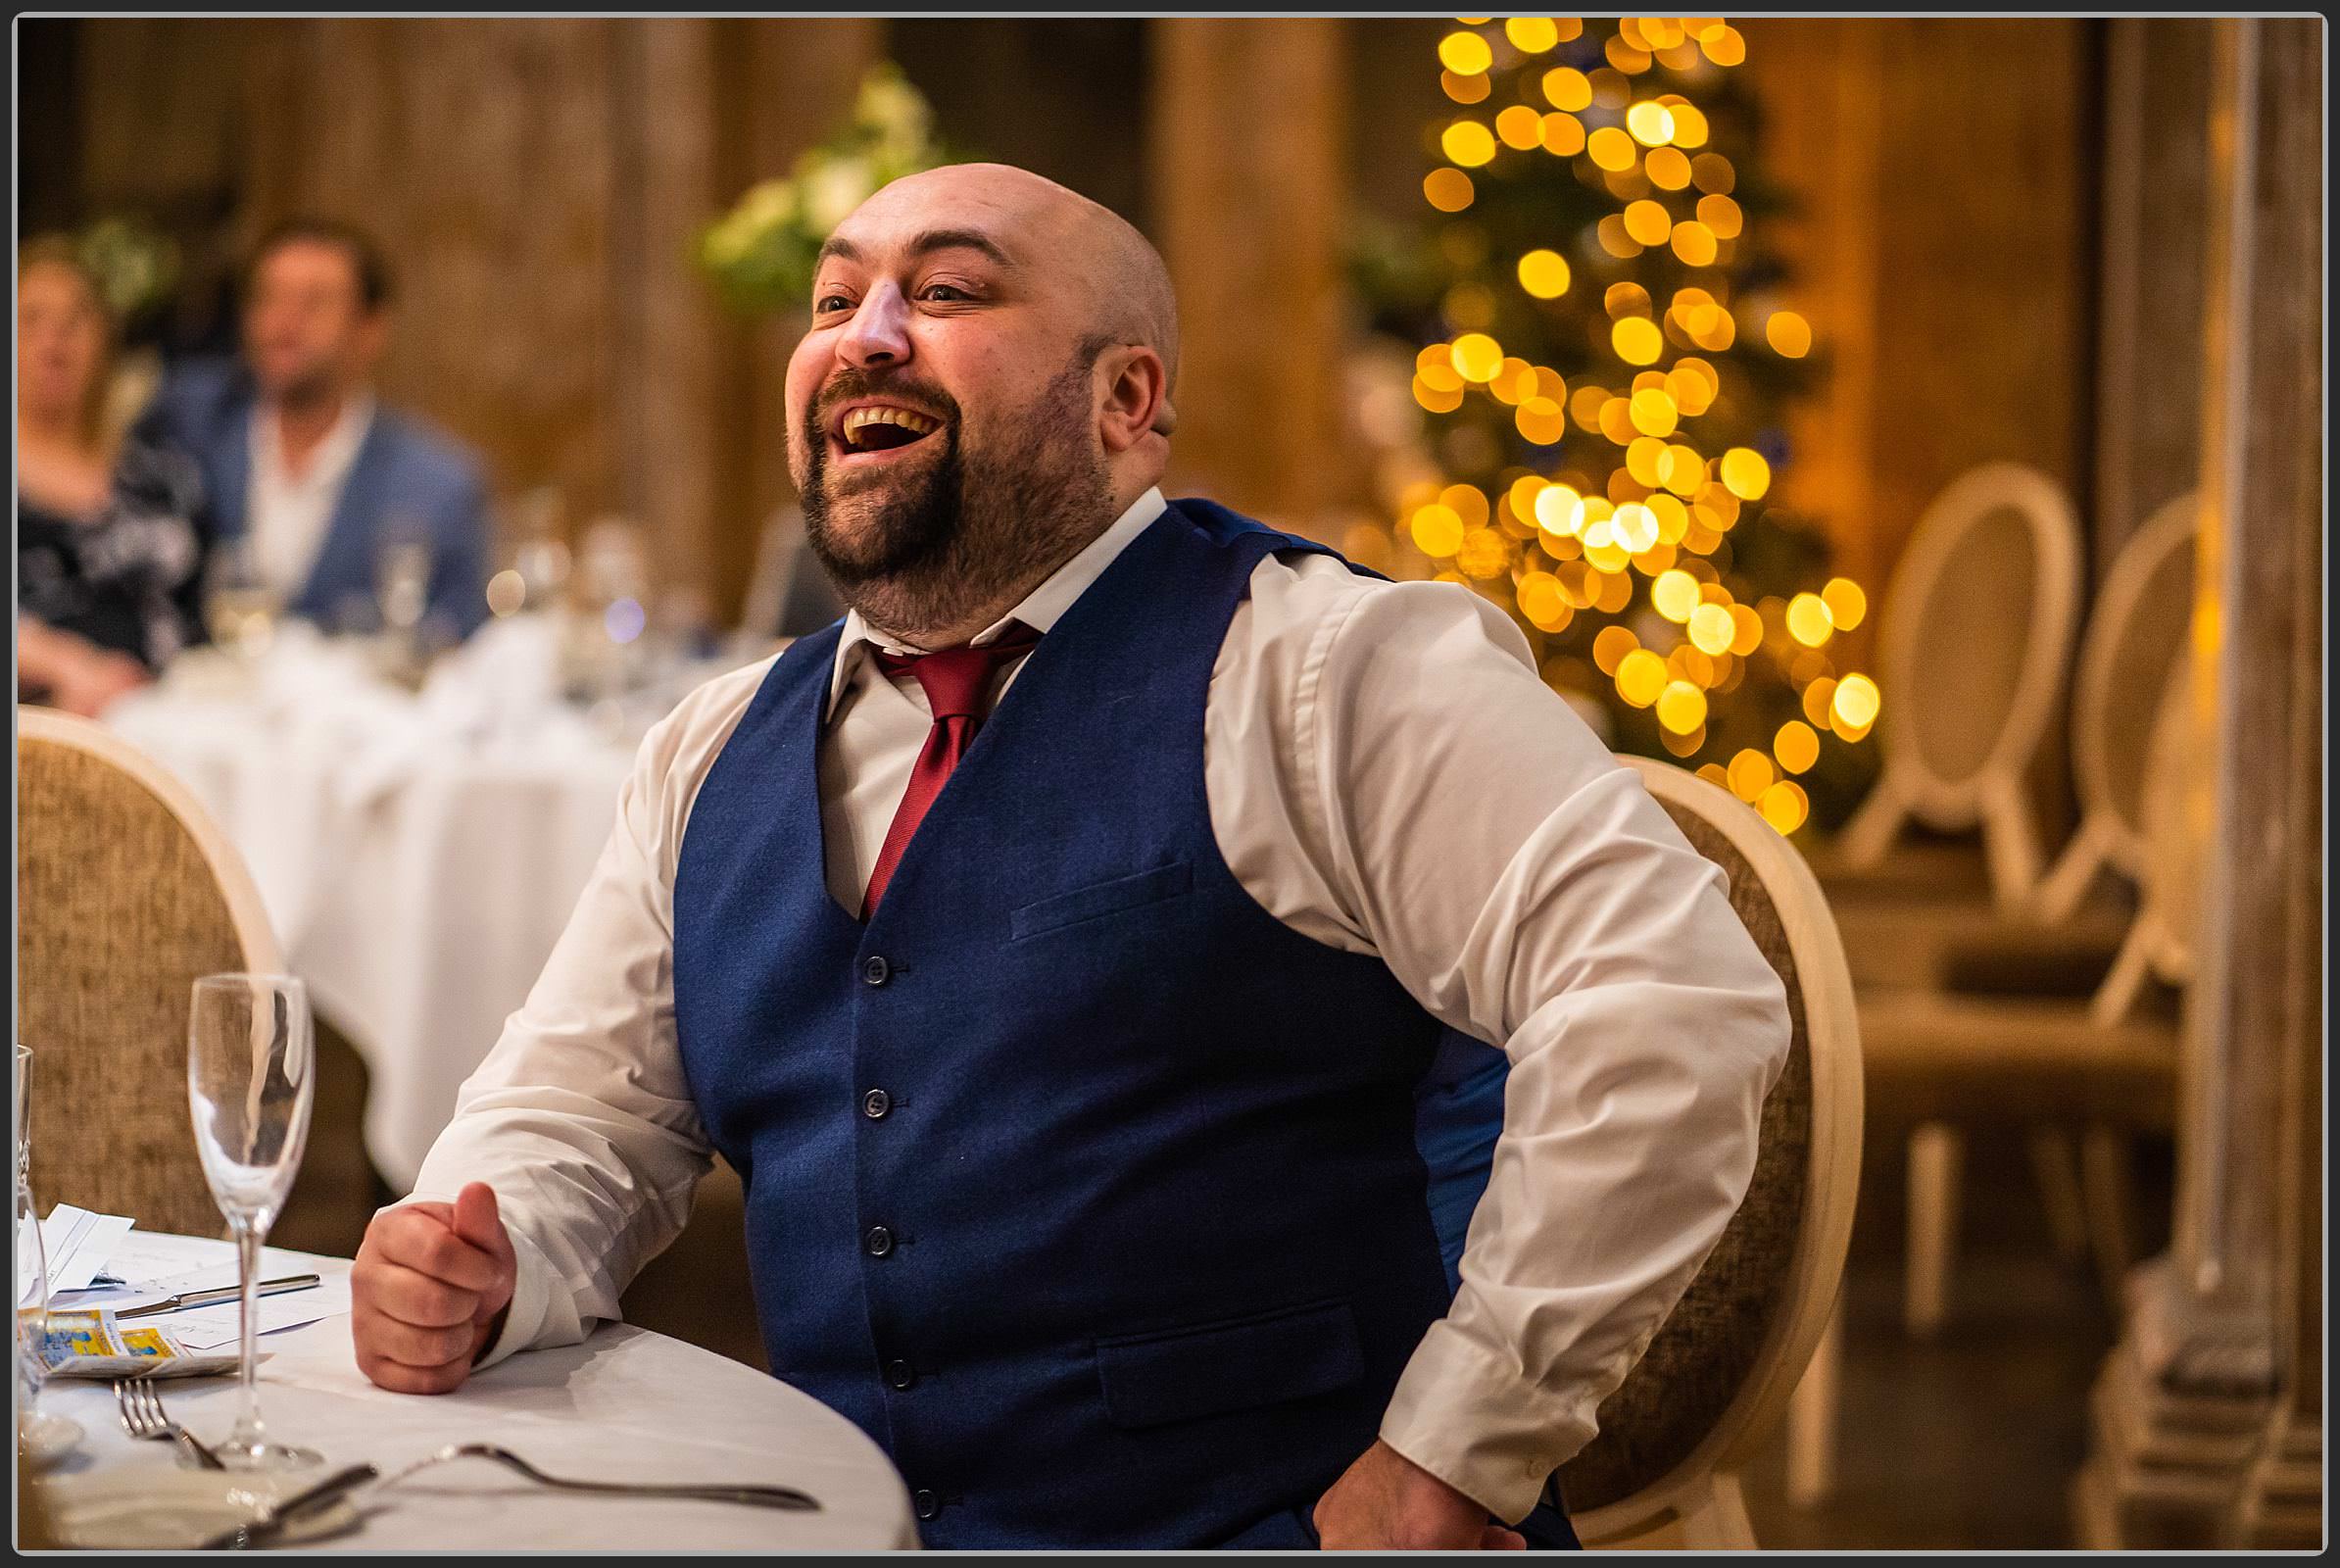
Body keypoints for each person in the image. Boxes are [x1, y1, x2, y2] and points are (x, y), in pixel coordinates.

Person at [351, 164, 1792, 1550]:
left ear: (1127, 399)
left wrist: (1456, 1449)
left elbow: (1670, 998)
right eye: (831, 302)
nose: (866, 336)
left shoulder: (1325, 670)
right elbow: (574, 1117)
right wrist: (485, 1258)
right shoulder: (709, 750)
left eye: (950, 290)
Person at [133, 218, 490, 644]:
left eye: (314, 303)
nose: (284, 323)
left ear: (371, 330)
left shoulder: (437, 484)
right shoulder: (189, 425)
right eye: (269, 298)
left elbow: (460, 643)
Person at [16, 238, 204, 715]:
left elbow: (209, 608)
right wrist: (64, 665)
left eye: (73, 321)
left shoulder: (162, 475)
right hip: (43, 729)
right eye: (30, 319)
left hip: (177, 711)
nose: (52, 342)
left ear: (104, 338)